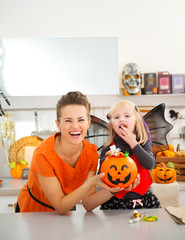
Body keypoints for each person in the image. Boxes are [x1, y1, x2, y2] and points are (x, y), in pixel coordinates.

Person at [16, 91, 140, 214]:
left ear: (88, 123)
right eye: (68, 120)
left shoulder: (90, 152)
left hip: (66, 210)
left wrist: (115, 189)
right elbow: (60, 205)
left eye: (81, 120)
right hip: (33, 212)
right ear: (58, 124)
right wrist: (91, 183)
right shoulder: (43, 154)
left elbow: (88, 204)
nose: (75, 126)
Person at [98, 100, 161, 210]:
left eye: (127, 116)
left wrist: (133, 143)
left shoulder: (143, 142)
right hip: (116, 201)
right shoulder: (108, 147)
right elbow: (101, 175)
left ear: (136, 121)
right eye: (117, 117)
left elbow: (149, 164)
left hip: (144, 199)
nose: (122, 119)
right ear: (112, 125)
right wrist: (107, 160)